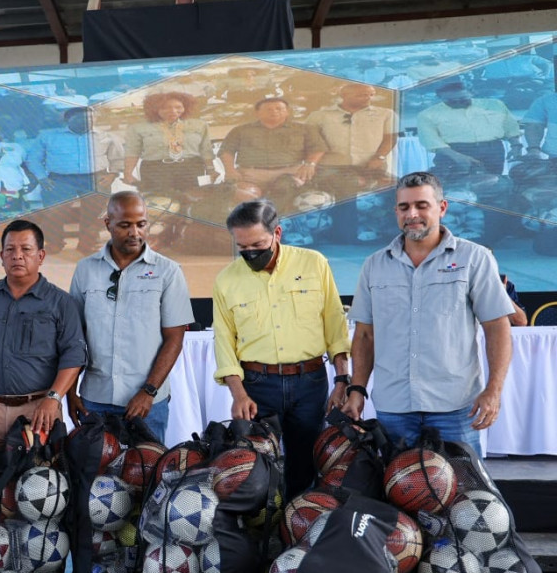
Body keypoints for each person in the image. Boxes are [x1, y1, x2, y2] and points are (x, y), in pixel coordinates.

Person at [342, 172, 514, 455]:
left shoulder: (474, 258)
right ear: (396, 211)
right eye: (404, 207)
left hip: (455, 407)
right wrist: (357, 389)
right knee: (398, 483)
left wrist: (493, 390)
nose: (412, 214)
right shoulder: (375, 265)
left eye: (421, 205)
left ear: (442, 208)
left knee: (461, 483)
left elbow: (497, 326)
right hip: (394, 408)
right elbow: (365, 335)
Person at [212, 200, 350, 500]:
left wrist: (342, 380)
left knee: (306, 465)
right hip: (257, 386)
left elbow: (334, 324)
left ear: (277, 233)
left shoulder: (313, 264)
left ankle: (301, 520)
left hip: (310, 382)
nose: (251, 253)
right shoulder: (226, 280)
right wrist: (238, 394)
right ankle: (267, 524)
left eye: (258, 245)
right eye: (242, 247)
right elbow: (224, 341)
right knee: (257, 469)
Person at [0, 219, 87, 464]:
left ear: (41, 256)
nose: (17, 256)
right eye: (10, 250)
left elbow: (74, 355)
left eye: (26, 249)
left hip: (39, 411)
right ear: (2, 256)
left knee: (40, 481)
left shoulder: (61, 303)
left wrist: (53, 398)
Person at [68, 192, 194, 442]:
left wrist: (148, 391)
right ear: (108, 224)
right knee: (96, 468)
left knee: (146, 467)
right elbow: (73, 337)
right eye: (125, 225)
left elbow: (175, 339)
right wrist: (70, 392)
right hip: (95, 400)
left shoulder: (168, 271)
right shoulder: (85, 269)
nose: (134, 232)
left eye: (141, 224)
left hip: (147, 404)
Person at [26, 108, 123, 252]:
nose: (87, 121)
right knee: (53, 213)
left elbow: (118, 157)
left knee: (94, 213)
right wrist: (41, 177)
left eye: (90, 118)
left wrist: (112, 174)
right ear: (67, 120)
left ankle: (87, 243)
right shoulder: (48, 137)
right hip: (59, 180)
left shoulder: (106, 136)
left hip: (96, 178)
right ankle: (54, 243)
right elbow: (33, 159)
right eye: (80, 118)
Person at [218, 98, 327, 210]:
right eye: (268, 109)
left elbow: (318, 148)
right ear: (257, 113)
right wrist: (230, 170)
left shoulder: (304, 129)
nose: (274, 111)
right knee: (246, 195)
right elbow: (226, 151)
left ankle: (276, 217)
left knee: (285, 190)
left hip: (290, 172)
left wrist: (310, 164)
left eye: (279, 109)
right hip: (251, 175)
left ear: (287, 112)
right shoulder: (240, 130)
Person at [416, 79, 521, 178]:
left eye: (463, 99)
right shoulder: (427, 114)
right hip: (453, 152)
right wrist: (457, 157)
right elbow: (431, 141)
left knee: (493, 182)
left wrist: (516, 145)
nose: (458, 102)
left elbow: (511, 128)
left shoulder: (494, 105)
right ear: (439, 97)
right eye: (451, 101)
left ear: (472, 93)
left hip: (493, 150)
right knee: (456, 186)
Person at [306, 83, 397, 194]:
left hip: (371, 165)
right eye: (361, 95)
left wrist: (379, 157)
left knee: (399, 187)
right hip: (332, 166)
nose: (368, 98)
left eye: (371, 95)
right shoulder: (319, 116)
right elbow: (311, 142)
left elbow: (390, 138)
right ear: (344, 95)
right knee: (348, 188)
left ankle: (371, 184)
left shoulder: (386, 114)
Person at [123, 92, 216, 199]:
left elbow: (206, 150)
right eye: (165, 107)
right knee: (160, 203)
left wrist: (211, 169)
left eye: (178, 107)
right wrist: (128, 173)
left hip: (191, 168)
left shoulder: (199, 125)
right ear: (154, 109)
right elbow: (132, 151)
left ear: (185, 107)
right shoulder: (138, 127)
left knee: (192, 200)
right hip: (155, 170)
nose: (173, 111)